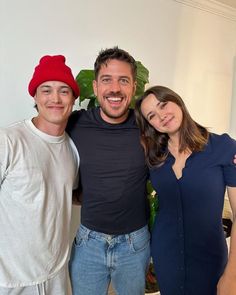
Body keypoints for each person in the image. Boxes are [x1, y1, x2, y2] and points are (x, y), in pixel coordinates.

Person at [134, 85, 236, 295]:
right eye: (152, 115)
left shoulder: (223, 148)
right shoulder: (153, 157)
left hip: (210, 260)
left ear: (177, 101)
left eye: (164, 105)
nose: (161, 116)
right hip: (166, 257)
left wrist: (232, 276)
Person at [67, 47, 150, 295]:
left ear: (134, 87)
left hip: (135, 245)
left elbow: (185, 137)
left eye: (123, 80)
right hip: (88, 244)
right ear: (95, 87)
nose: (115, 88)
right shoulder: (75, 123)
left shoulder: (148, 127)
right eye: (107, 80)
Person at [0, 55, 80, 295]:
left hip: (55, 277)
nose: (55, 98)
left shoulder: (72, 149)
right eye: (46, 90)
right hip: (10, 280)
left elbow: (64, 196)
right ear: (35, 96)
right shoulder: (8, 140)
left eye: (64, 91)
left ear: (74, 99)